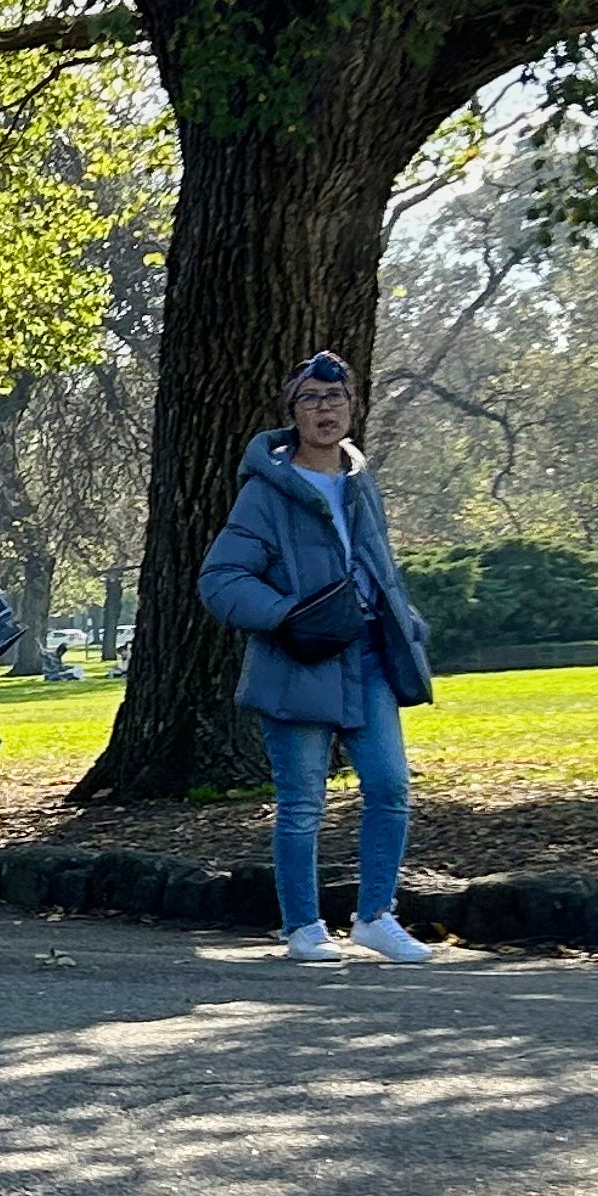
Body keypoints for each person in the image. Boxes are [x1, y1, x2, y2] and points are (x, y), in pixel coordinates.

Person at [199, 352, 439, 964]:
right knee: (303, 802)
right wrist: (287, 615)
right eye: (310, 399)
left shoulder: (363, 483)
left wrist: (405, 620)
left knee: (389, 788)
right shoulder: (266, 494)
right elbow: (221, 579)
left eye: (335, 399)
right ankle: (303, 927)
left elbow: (380, 565)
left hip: (369, 658)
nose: (324, 410)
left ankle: (376, 917)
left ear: (352, 408)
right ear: (293, 413)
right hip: (297, 663)